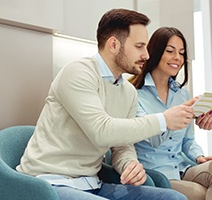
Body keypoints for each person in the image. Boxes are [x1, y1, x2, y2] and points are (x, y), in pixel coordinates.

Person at [16, 8, 195, 200]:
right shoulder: (78, 73)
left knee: (174, 198)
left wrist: (129, 164)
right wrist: (163, 120)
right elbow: (101, 131)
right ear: (113, 44)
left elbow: (121, 145)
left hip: (92, 183)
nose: (147, 55)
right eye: (139, 46)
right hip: (49, 183)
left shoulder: (127, 92)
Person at [130, 27, 212, 200]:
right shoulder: (134, 94)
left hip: (182, 167)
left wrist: (198, 156)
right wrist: (175, 115)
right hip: (157, 173)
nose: (177, 58)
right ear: (155, 52)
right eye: (170, 51)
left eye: (182, 53)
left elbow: (187, 140)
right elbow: (153, 139)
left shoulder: (182, 93)